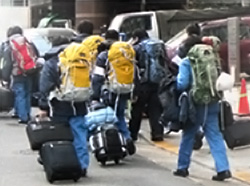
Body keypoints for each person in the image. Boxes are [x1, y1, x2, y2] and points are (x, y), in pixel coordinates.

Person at [173, 38, 232, 181]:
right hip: (212, 102)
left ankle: (182, 167)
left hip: (195, 103)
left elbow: (182, 84)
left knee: (188, 135)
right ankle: (223, 169)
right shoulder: (212, 59)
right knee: (215, 136)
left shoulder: (187, 62)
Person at [37, 36, 89, 177]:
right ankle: (82, 165)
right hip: (79, 103)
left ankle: (63, 164)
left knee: (61, 137)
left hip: (58, 106)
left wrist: (43, 106)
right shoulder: (81, 59)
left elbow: (45, 86)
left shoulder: (51, 62)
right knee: (80, 136)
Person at [91, 29, 136, 155]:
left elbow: (98, 77)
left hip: (109, 90)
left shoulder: (104, 55)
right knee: (120, 114)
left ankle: (110, 143)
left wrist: (95, 95)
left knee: (108, 116)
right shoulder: (127, 53)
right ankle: (126, 138)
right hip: (126, 88)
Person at [128, 29, 164, 142]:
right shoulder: (158, 45)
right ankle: (157, 133)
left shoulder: (137, 48)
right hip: (156, 81)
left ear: (136, 38)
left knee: (137, 108)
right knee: (155, 108)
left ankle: (133, 134)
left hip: (142, 82)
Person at [2, 26, 38, 124]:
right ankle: (27, 113)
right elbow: (36, 55)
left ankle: (22, 116)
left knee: (19, 93)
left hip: (17, 72)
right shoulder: (27, 42)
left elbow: (7, 63)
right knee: (27, 93)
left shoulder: (9, 45)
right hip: (30, 71)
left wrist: (5, 75)